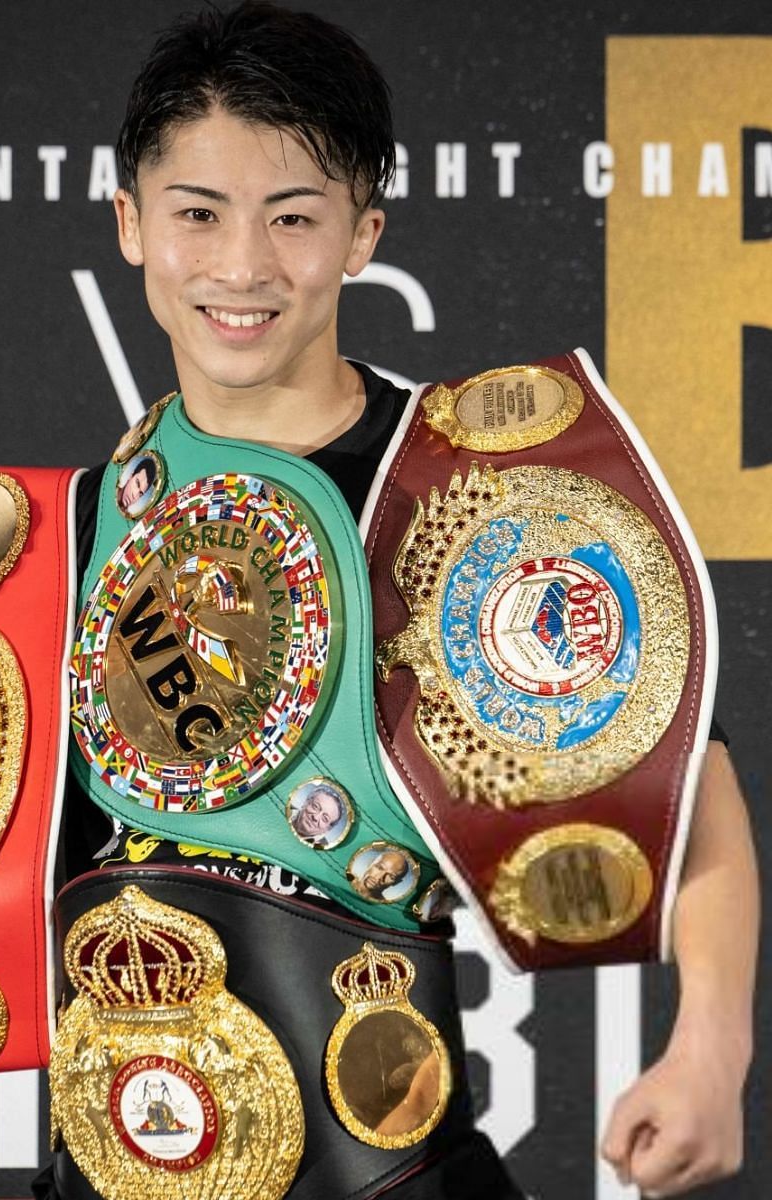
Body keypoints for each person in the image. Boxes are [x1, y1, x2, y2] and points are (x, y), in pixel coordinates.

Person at [48, 3, 753, 1195]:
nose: (242, 268)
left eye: (294, 220)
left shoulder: (463, 497)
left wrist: (710, 1051)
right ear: (131, 225)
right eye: (198, 215)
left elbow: (691, 804)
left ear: (362, 234)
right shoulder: (65, 528)